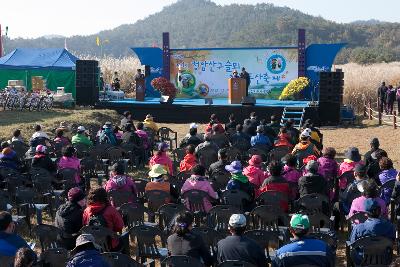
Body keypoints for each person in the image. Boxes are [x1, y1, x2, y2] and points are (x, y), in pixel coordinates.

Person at [349, 199, 395, 266]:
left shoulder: (358, 228)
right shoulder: (390, 226)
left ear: (366, 213)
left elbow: (352, 243)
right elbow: (392, 242)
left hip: (362, 261)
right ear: (380, 211)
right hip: (384, 260)